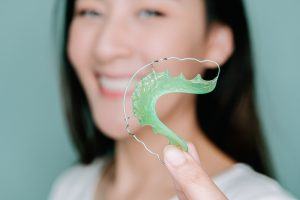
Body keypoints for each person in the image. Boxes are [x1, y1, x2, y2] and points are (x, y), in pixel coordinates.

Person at [49, 0, 296, 199]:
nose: (105, 48)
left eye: (150, 12)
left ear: (215, 43)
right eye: (90, 12)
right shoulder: (71, 187)